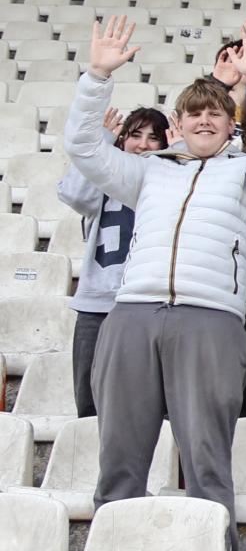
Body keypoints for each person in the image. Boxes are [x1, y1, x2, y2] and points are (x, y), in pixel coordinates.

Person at [64, 17, 246, 551]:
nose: (205, 121)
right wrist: (96, 76)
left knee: (205, 453)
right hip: (132, 314)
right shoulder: (149, 173)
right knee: (119, 450)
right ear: (179, 123)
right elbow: (83, 150)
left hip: (210, 319)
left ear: (231, 122)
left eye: (216, 112)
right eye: (195, 113)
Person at [58, 105, 169, 418]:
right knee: (88, 400)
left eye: (154, 138)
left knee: (148, 402)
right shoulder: (106, 183)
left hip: (150, 303)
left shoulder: (170, 186)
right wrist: (101, 141)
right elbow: (73, 193)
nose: (144, 144)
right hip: (98, 303)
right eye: (135, 135)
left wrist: (179, 153)